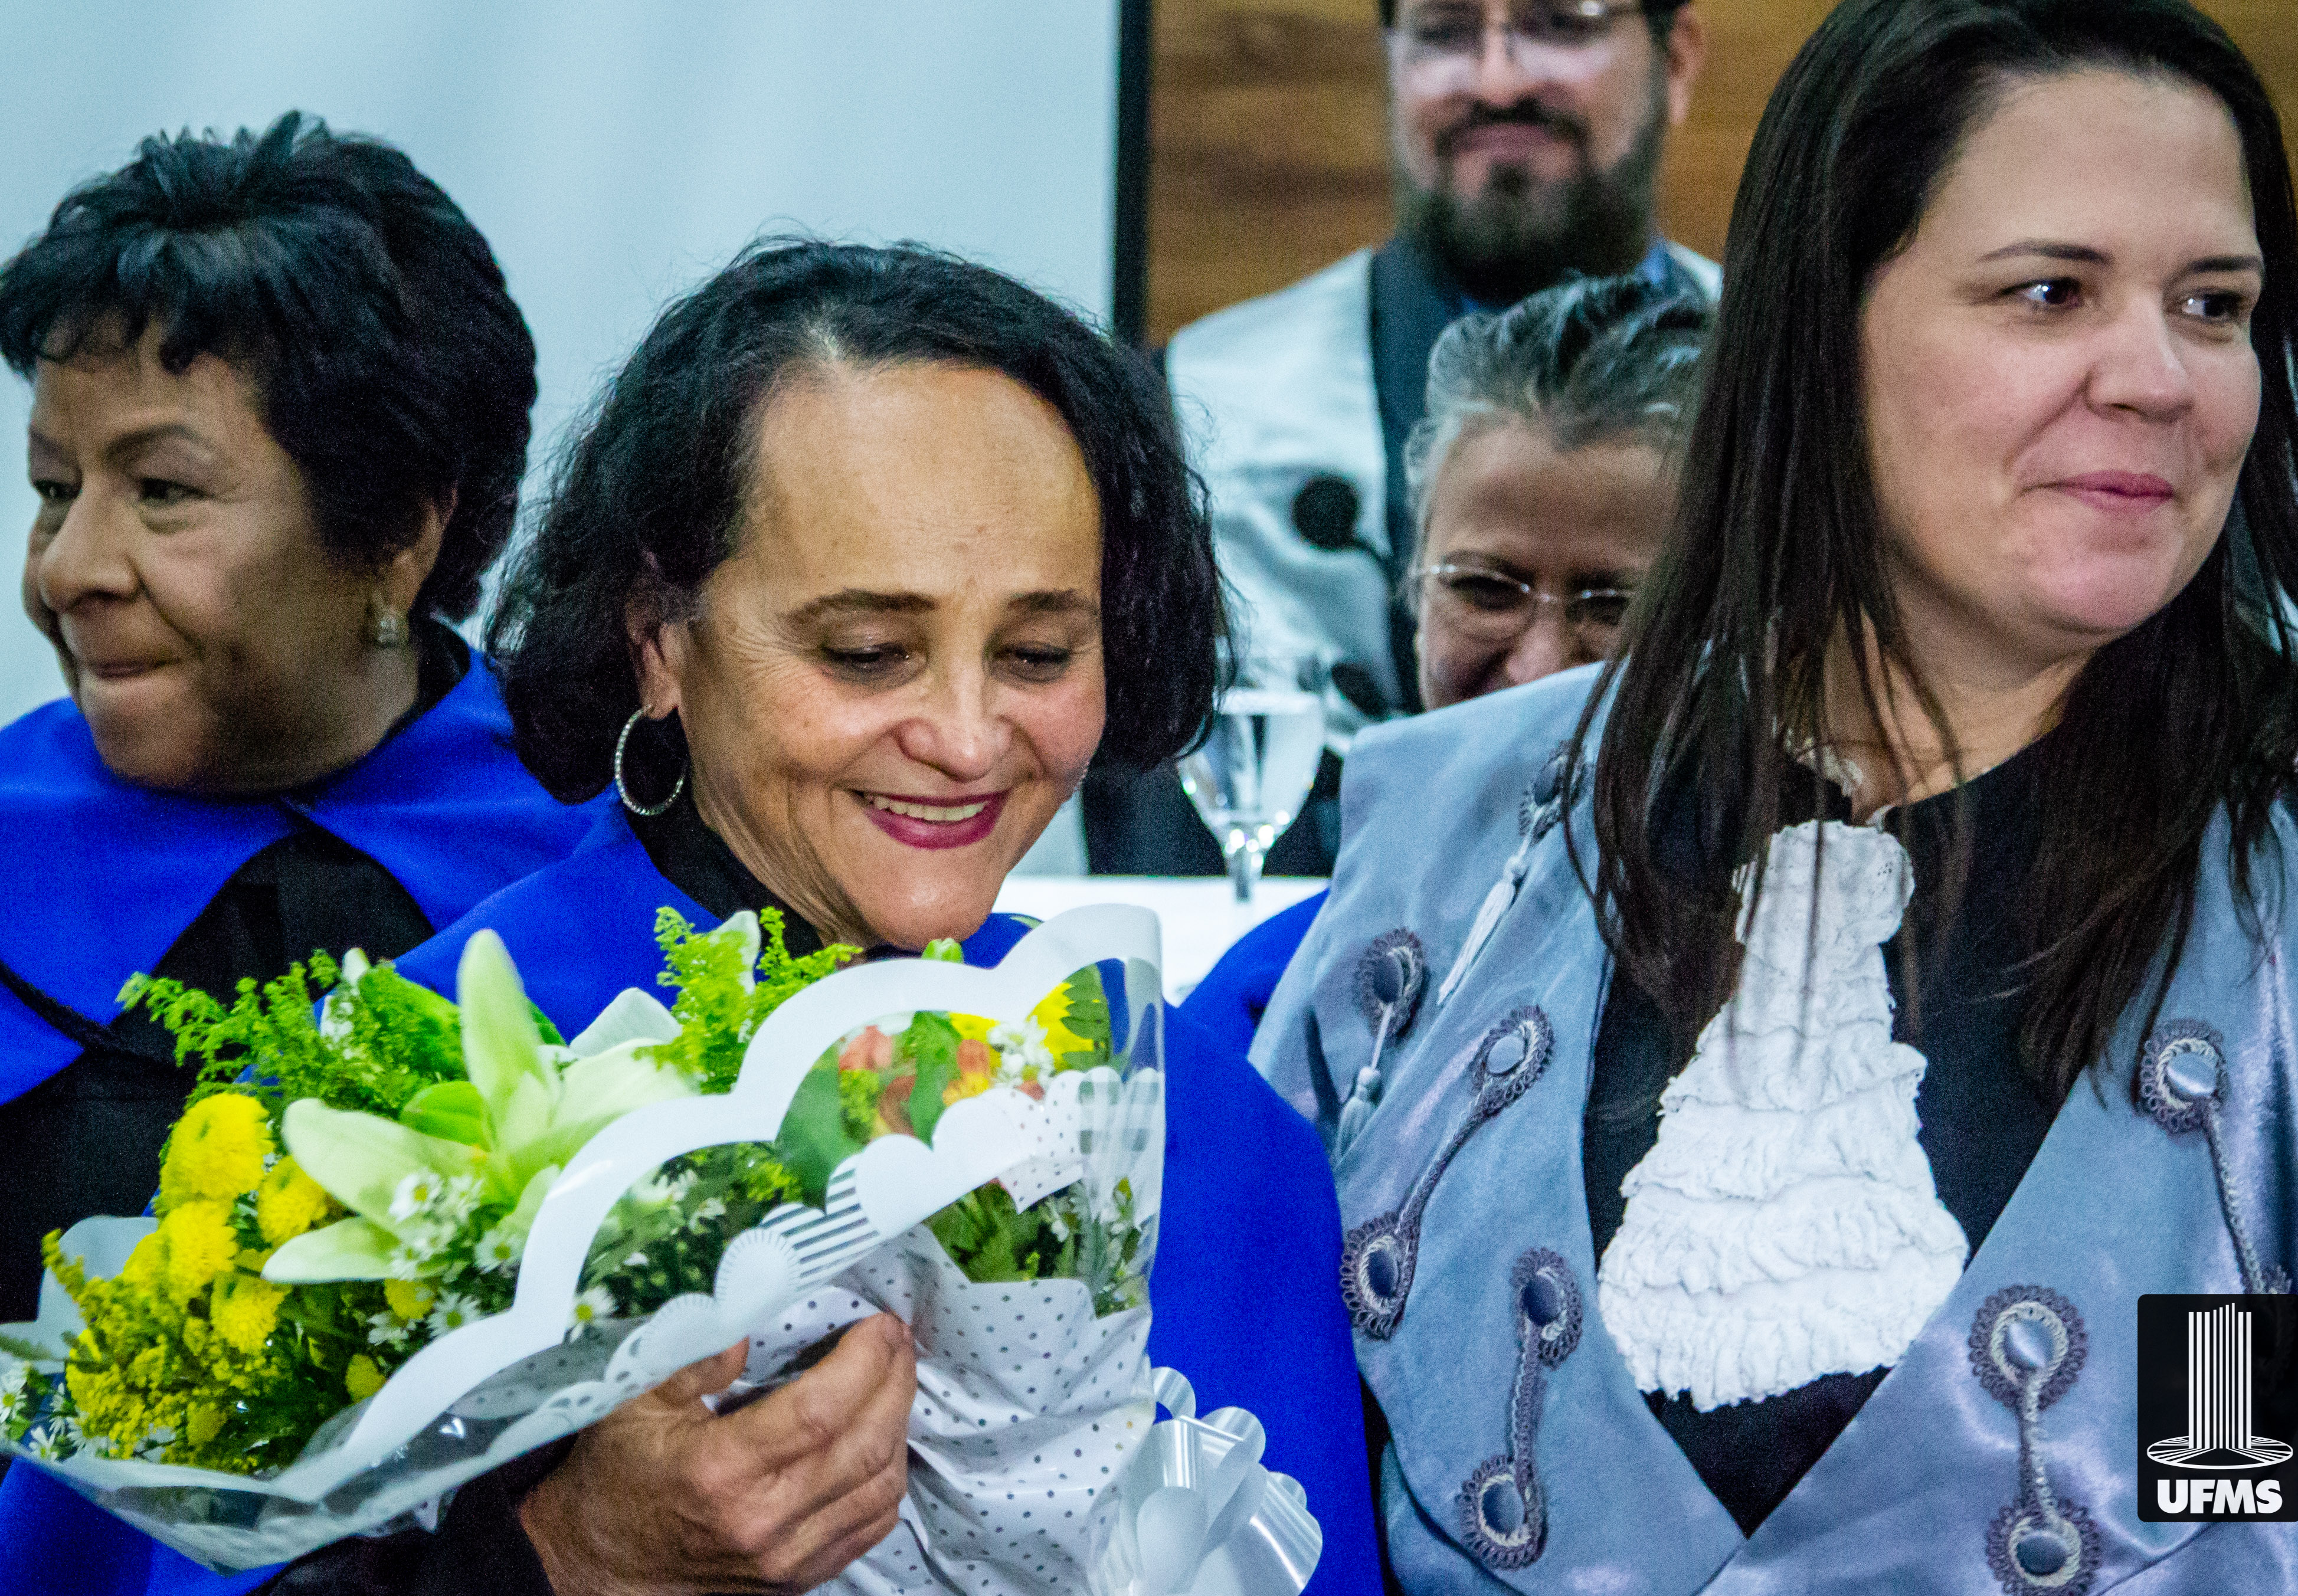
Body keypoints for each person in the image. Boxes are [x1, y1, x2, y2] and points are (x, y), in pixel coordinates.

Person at [0, 241, 1384, 1596]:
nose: (967, 739)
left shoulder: (1199, 1128)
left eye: (1036, 653)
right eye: (866, 653)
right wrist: (554, 1566)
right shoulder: (380, 1109)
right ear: (659, 638)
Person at [1255, 0, 2298, 1589]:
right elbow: (1249, 1443)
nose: (2156, 377)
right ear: (1818, 327)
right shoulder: (1461, 836)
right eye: (2048, 292)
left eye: (2213, 305)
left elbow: (2234, 1479)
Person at [0, 114, 591, 1336]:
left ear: (396, 533)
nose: (66, 569)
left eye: (162, 490)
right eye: (56, 488)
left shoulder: (593, 866)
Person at [1087, 0, 1717, 874]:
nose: (1497, 81)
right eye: (1446, 32)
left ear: (1675, 59)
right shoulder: (1195, 407)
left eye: (1558, 25)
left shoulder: (1818, 388)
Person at [1182, 271, 1707, 1057]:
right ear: (1413, 592)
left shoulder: (1795, 992)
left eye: (1613, 606)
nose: (1537, 669)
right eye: (1486, 591)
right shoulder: (1269, 999)